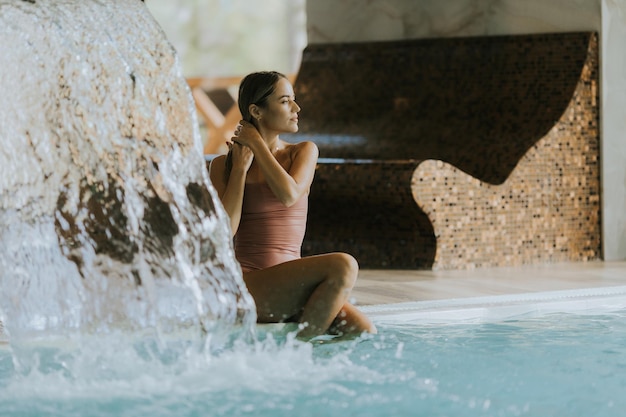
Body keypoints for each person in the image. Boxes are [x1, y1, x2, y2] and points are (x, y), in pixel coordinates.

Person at [209, 71, 376, 339]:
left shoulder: (303, 151)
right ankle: (296, 353)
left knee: (362, 331)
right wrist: (240, 169)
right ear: (257, 111)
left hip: (291, 284)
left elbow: (289, 195)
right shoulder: (223, 165)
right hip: (247, 285)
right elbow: (224, 231)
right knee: (344, 265)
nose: (296, 108)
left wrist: (256, 145)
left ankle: (300, 362)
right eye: (285, 101)